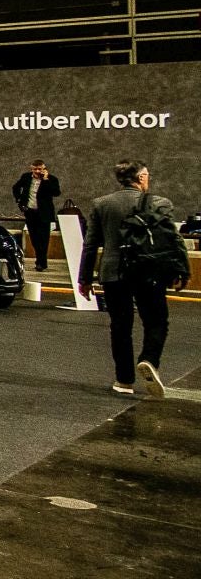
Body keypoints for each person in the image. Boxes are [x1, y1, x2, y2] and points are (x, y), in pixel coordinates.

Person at [77, 160, 184, 399]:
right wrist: (179, 271)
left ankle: (123, 380)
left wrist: (84, 278)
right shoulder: (160, 203)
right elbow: (173, 241)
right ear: (142, 177)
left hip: (114, 272)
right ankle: (149, 360)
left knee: (120, 326)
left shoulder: (101, 204)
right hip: (149, 272)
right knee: (156, 321)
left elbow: (91, 244)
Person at [11, 159, 62, 272]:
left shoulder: (51, 179)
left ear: (44, 169)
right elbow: (15, 187)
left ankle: (41, 262)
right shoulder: (26, 177)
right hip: (30, 212)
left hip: (44, 213)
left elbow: (56, 192)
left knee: (43, 239)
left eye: (40, 169)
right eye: (35, 169)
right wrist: (19, 201)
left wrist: (46, 180)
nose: (38, 171)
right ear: (31, 168)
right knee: (34, 238)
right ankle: (40, 259)